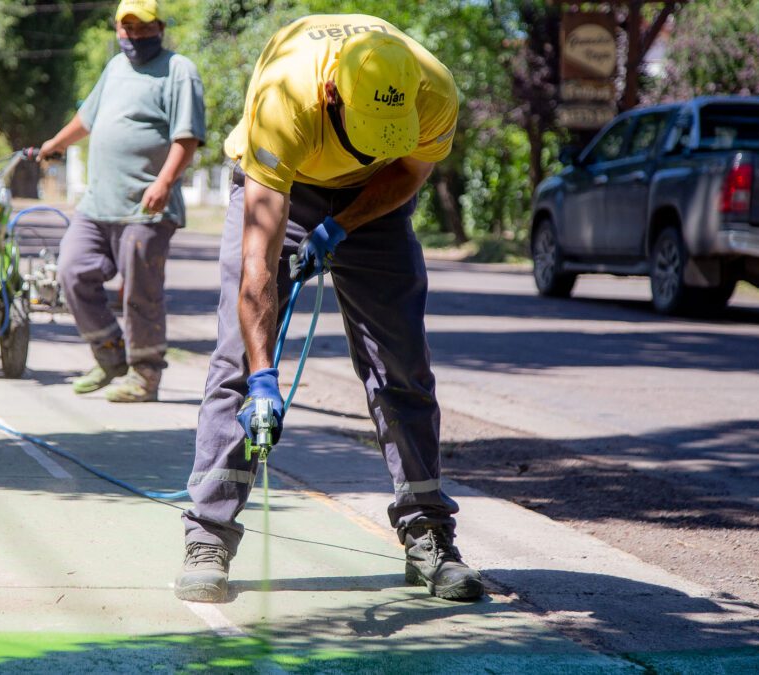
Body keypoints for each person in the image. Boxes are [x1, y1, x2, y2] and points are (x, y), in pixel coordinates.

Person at [175, 14, 483, 604]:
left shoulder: (433, 90)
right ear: (332, 93)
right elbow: (257, 264)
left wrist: (342, 224)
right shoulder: (284, 100)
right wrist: (267, 377)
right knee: (238, 364)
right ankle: (208, 533)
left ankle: (429, 532)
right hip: (282, 183)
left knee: (403, 365)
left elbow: (407, 172)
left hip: (375, 194)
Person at [38, 0, 205, 402]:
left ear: (160, 28)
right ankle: (110, 354)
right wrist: (55, 143)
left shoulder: (179, 71)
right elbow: (88, 118)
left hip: (146, 208)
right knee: (71, 271)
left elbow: (187, 138)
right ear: (117, 31)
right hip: (98, 204)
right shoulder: (115, 69)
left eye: (142, 28)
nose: (133, 36)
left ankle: (144, 376)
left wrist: (164, 182)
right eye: (126, 28)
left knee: (140, 291)